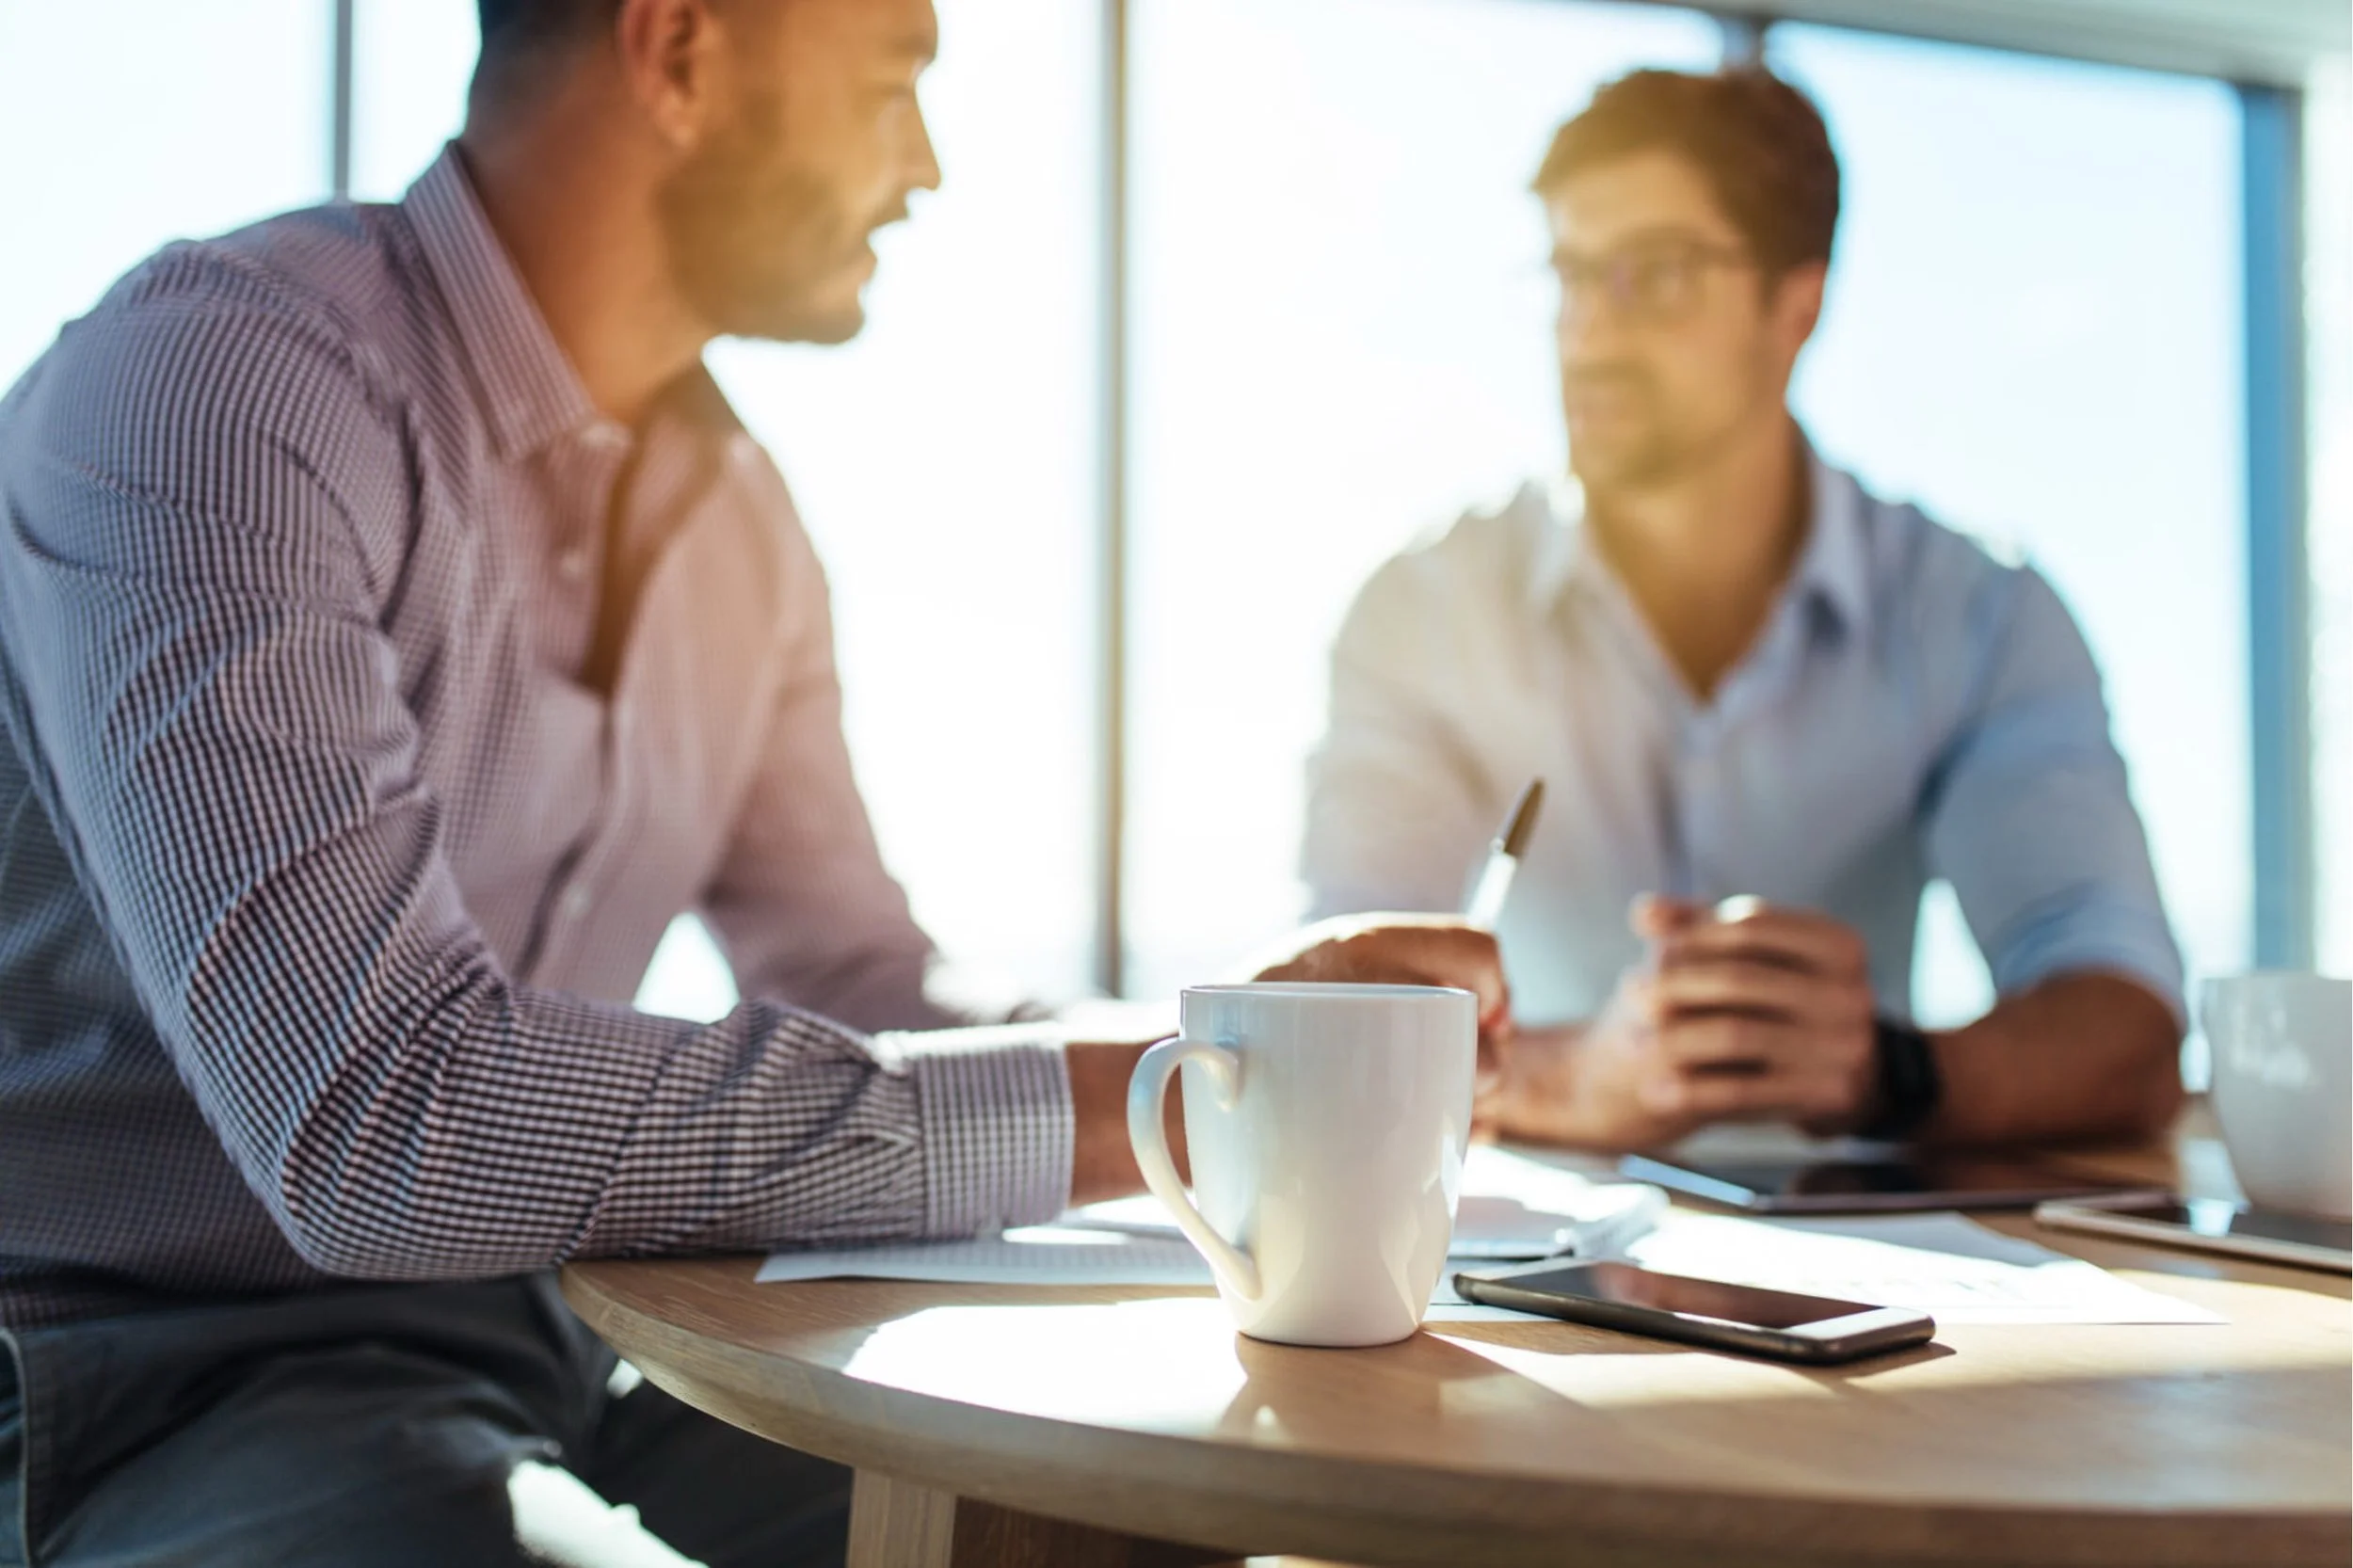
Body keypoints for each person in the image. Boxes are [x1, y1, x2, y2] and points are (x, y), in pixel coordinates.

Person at [0, 2, 1505, 1562]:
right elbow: (381, 1119)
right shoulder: (221, 389)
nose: (922, 164)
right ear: (681, 53)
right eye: (891, 80)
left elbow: (860, 981)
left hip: (567, 1339)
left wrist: (1231, 1046)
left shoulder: (740, 525)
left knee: (1132, 1522)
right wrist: (1153, 1106)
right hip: (132, 1391)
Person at [1304, 67, 2184, 1155]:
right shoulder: (1422, 615)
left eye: (1658, 275)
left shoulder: (1978, 616)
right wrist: (1576, 1079)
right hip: (1519, 1270)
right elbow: (1323, 1020)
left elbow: (2128, 1028)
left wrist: (1889, 1068)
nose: (1588, 332)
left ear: (1796, 306)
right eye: (1573, 275)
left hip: (1891, 1283)